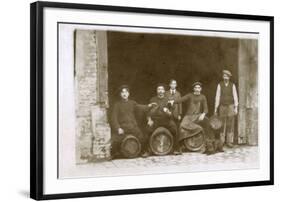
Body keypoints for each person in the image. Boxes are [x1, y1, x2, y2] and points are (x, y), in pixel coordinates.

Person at [169, 82, 216, 155]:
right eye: (196, 88)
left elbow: (206, 108)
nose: (197, 89)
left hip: (198, 116)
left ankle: (210, 148)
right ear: (193, 89)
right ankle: (179, 148)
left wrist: (203, 114)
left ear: (201, 89)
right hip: (189, 116)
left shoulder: (203, 97)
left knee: (207, 123)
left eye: (198, 88)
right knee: (181, 126)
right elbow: (181, 100)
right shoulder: (190, 95)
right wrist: (173, 101)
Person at [111, 85, 155, 159]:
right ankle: (115, 154)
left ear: (128, 94)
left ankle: (144, 152)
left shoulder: (132, 103)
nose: (124, 94)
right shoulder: (117, 105)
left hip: (133, 127)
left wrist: (149, 105)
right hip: (123, 128)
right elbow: (113, 118)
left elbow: (140, 107)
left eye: (126, 92)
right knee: (114, 141)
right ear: (120, 94)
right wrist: (118, 128)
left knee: (142, 138)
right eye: (122, 92)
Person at [147, 83, 182, 155]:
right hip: (156, 121)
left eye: (162, 89)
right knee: (148, 129)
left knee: (174, 129)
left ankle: (176, 149)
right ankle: (148, 150)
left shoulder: (168, 100)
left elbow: (171, 113)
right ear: (157, 91)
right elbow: (148, 112)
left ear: (164, 91)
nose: (160, 91)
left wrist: (168, 112)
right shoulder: (152, 99)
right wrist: (149, 120)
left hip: (166, 120)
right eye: (159, 89)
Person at [214, 70, 239, 148]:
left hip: (231, 106)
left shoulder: (232, 85)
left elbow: (235, 97)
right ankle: (222, 141)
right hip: (222, 106)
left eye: (227, 76)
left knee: (230, 124)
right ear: (222, 77)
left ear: (229, 77)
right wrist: (215, 108)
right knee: (222, 123)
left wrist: (236, 108)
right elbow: (217, 97)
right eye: (224, 76)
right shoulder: (219, 85)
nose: (225, 77)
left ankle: (229, 141)